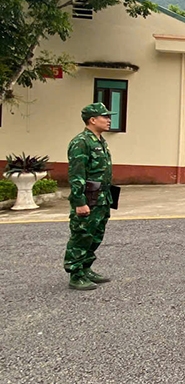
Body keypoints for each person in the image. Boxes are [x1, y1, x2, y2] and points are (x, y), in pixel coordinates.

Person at [63, 102, 116, 291]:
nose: (109, 120)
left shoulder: (100, 140)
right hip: (88, 199)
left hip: (102, 198)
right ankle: (75, 274)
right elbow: (77, 175)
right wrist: (79, 202)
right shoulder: (81, 142)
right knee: (82, 235)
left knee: (95, 235)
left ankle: (86, 268)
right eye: (105, 117)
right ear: (92, 120)